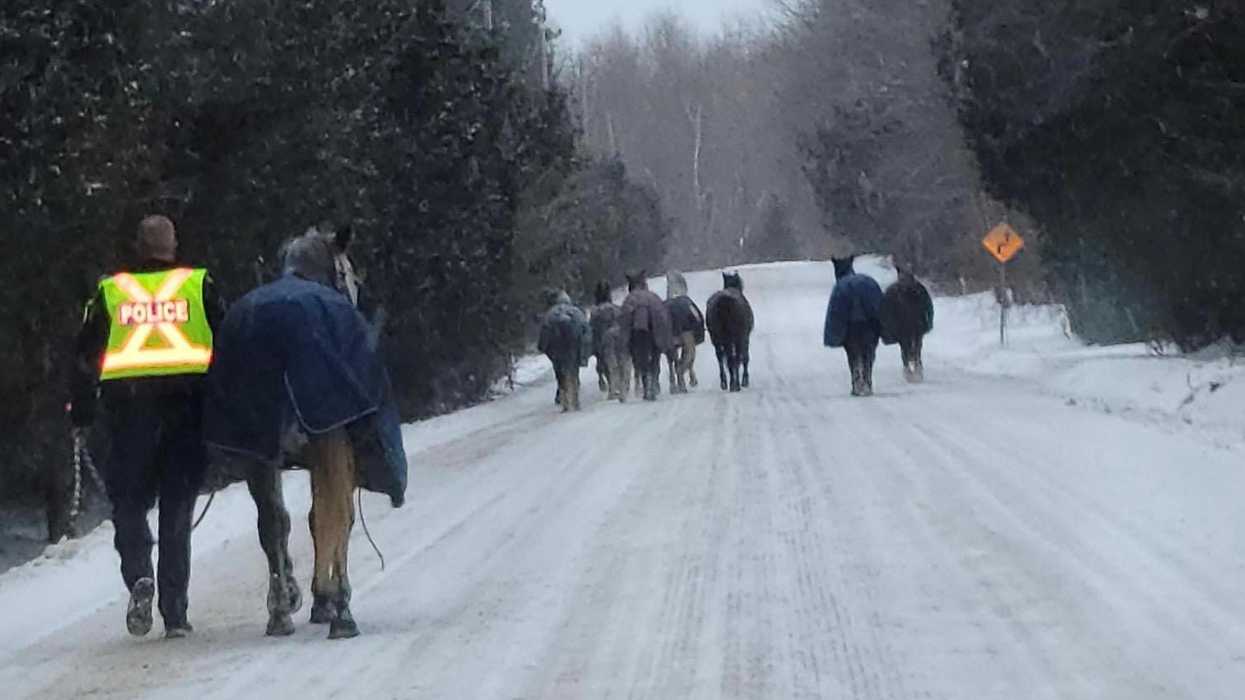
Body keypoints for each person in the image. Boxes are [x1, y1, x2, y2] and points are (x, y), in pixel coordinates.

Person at [69, 215, 226, 638]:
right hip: (187, 416)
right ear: (174, 246)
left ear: (138, 246)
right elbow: (226, 346)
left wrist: (80, 413)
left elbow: (84, 357)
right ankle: (175, 611)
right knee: (176, 510)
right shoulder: (198, 286)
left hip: (129, 417)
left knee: (129, 504)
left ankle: (138, 574)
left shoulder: (111, 291)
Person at [822, 255, 883, 396]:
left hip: (850, 326)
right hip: (869, 325)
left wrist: (834, 333)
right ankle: (867, 380)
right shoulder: (867, 282)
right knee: (868, 353)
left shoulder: (841, 287)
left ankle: (856, 380)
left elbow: (835, 311)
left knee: (853, 353)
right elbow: (879, 305)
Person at [620, 271, 674, 402]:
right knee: (655, 356)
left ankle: (646, 385)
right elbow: (664, 317)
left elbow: (623, 321)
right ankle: (654, 381)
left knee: (641, 358)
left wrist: (624, 341)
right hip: (655, 329)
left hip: (637, 331)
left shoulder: (629, 300)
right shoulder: (654, 298)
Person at [538, 289, 592, 412]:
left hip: (557, 347)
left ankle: (565, 401)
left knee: (560, 372)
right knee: (573, 371)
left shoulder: (551, 314)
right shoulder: (576, 312)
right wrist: (585, 350)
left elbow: (544, 332)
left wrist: (543, 347)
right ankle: (575, 399)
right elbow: (586, 330)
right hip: (573, 345)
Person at [880, 267, 934, 382]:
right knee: (912, 346)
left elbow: (885, 310)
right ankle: (914, 367)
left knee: (909, 347)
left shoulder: (895, 290)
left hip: (908, 324)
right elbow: (928, 307)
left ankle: (911, 368)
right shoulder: (917, 288)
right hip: (912, 324)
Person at [664, 270, 705, 393]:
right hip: (687, 329)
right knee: (689, 353)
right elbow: (697, 317)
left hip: (670, 330)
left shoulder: (666, 305)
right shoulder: (687, 302)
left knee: (672, 354)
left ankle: (674, 378)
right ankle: (683, 374)